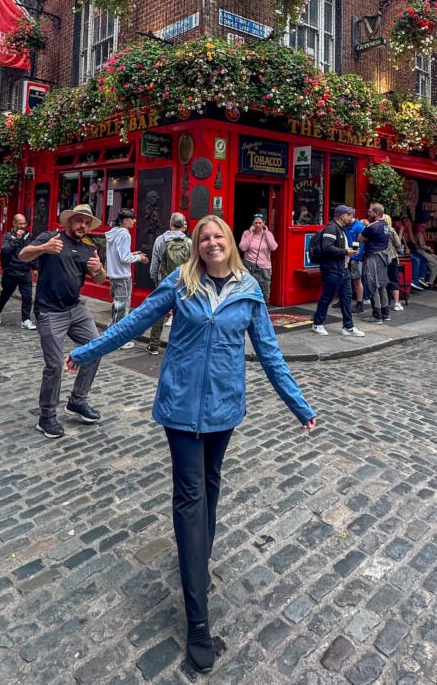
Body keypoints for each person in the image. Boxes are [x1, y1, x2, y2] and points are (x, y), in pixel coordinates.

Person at [64, 214, 316, 674]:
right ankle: (197, 616)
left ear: (231, 244)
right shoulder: (181, 283)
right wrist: (84, 352)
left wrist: (300, 407)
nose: (212, 243)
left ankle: (197, 563)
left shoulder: (250, 291)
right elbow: (134, 322)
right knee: (190, 496)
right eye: (205, 238)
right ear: (196, 244)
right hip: (180, 407)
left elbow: (271, 355)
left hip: (224, 409)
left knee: (211, 487)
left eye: (219, 236)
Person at [18, 204, 107, 439]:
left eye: (87, 223)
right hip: (49, 311)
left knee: (96, 348)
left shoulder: (89, 247)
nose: (83, 226)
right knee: (55, 364)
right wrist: (45, 248)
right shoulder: (51, 237)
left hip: (75, 308)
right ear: (69, 222)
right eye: (79, 221)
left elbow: (100, 278)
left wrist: (98, 270)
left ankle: (77, 400)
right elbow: (23, 255)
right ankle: (46, 416)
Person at [311, 204, 364, 337]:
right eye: (349, 215)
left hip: (343, 269)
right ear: (342, 216)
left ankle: (348, 326)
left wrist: (347, 251)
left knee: (346, 299)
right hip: (332, 269)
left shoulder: (341, 229)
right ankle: (317, 323)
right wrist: (346, 251)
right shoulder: (331, 228)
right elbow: (327, 247)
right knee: (327, 297)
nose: (351, 217)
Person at [104, 208, 148, 350]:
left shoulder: (113, 233)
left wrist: (132, 253)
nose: (134, 221)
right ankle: (118, 340)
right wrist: (139, 257)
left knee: (116, 307)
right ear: (125, 220)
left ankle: (111, 335)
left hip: (113, 275)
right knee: (122, 309)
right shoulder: (124, 234)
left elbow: (118, 254)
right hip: (122, 276)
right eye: (132, 218)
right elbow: (124, 258)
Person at [148, 212, 190, 354]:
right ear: (183, 226)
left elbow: (155, 263)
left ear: (170, 224)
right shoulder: (189, 243)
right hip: (183, 282)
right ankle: (177, 346)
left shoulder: (161, 240)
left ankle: (153, 345)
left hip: (164, 281)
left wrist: (155, 278)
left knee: (159, 313)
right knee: (181, 314)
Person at [0, 214, 36, 329]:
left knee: (27, 296)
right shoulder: (7, 236)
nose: (22, 226)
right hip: (11, 270)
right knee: (6, 294)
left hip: (25, 270)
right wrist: (17, 239)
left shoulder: (29, 236)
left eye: (24, 223)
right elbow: (6, 250)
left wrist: (35, 267)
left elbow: (32, 252)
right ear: (14, 223)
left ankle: (25, 319)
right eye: (20, 223)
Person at [360, 202, 390, 323]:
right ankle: (386, 313)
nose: (368, 213)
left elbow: (359, 238)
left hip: (373, 257)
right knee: (382, 286)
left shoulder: (373, 226)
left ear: (376, 213)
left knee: (373, 286)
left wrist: (365, 228)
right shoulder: (386, 226)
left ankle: (377, 316)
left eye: (370, 211)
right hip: (383, 257)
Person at [238, 213, 278, 303]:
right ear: (252, 223)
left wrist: (267, 233)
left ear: (264, 223)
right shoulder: (246, 233)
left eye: (260, 223)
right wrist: (251, 234)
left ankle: (264, 306)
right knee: (249, 287)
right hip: (250, 266)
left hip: (264, 266)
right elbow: (243, 247)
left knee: (265, 288)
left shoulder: (268, 234)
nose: (258, 225)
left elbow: (273, 247)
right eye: (256, 223)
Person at [381, 213, 403, 312]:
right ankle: (396, 303)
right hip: (392, 257)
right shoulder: (391, 230)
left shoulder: (376, 229)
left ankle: (383, 303)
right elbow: (398, 244)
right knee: (394, 279)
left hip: (380, 258)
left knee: (382, 281)